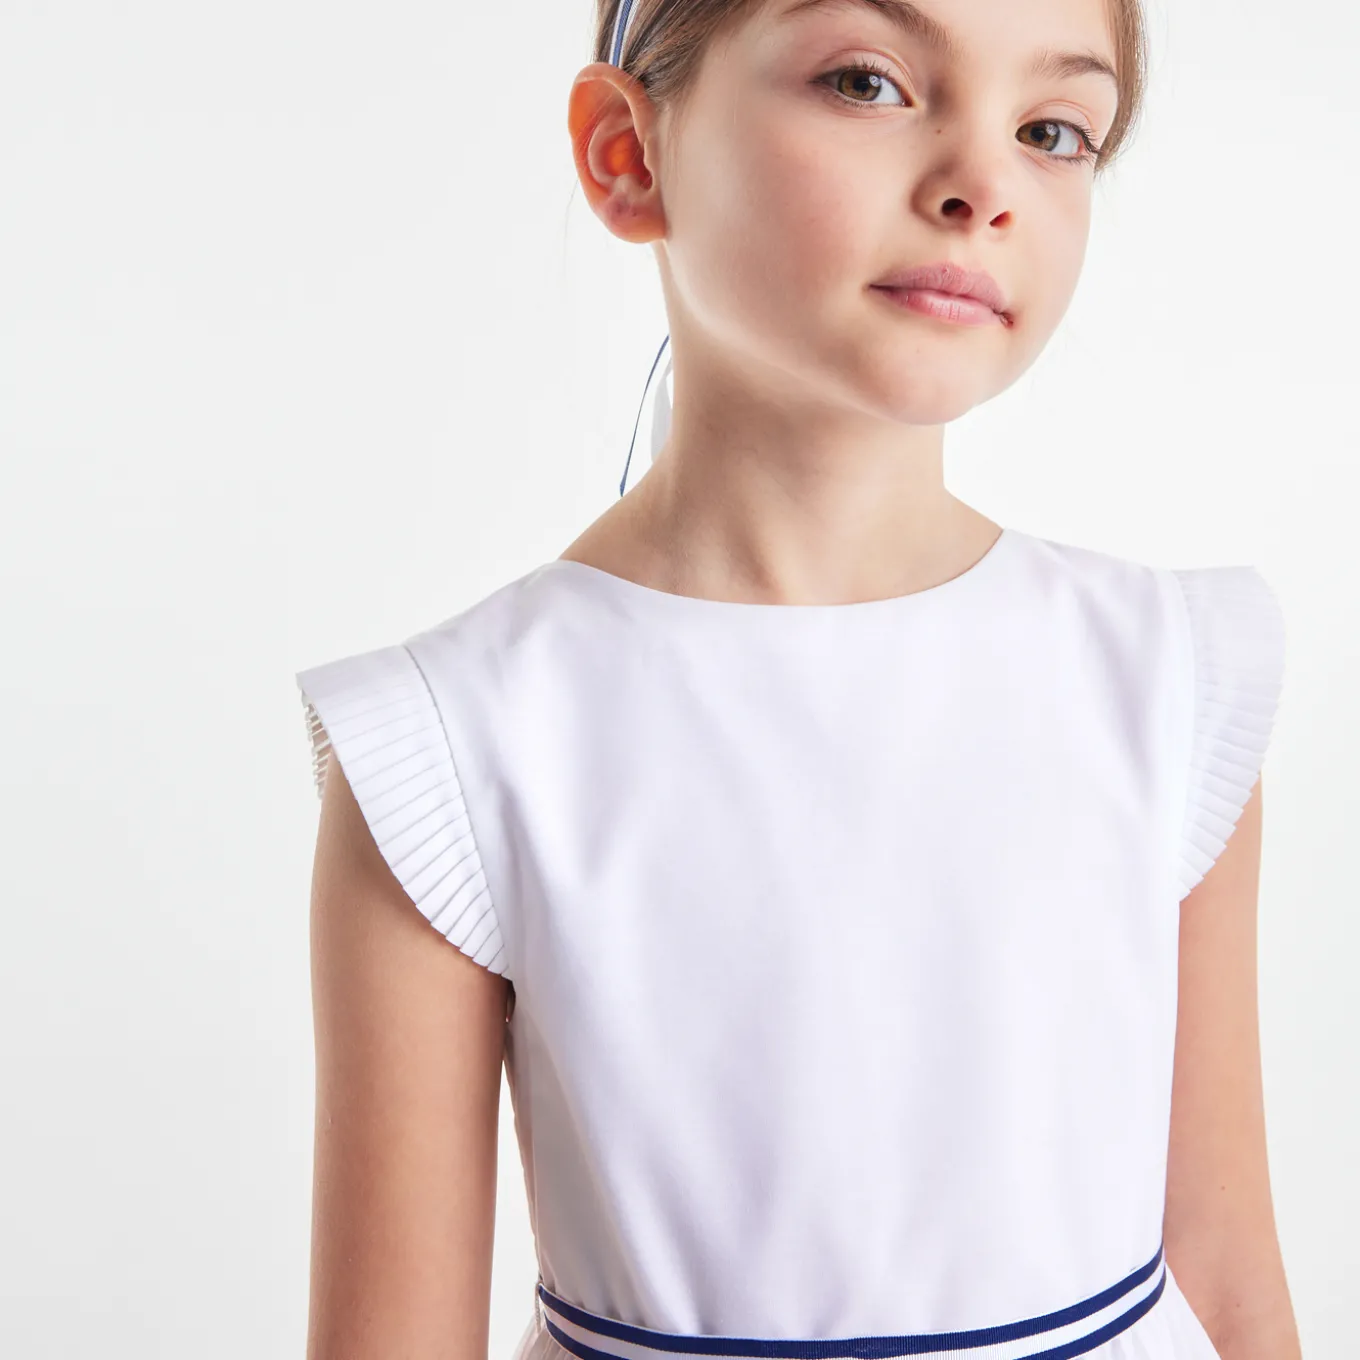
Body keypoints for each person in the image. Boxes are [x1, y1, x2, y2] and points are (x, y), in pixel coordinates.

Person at [295, 2, 1302, 1357]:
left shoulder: (1167, 684)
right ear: (627, 154)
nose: (981, 183)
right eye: (868, 83)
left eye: (1053, 129)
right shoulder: (453, 746)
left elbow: (1229, 1278)